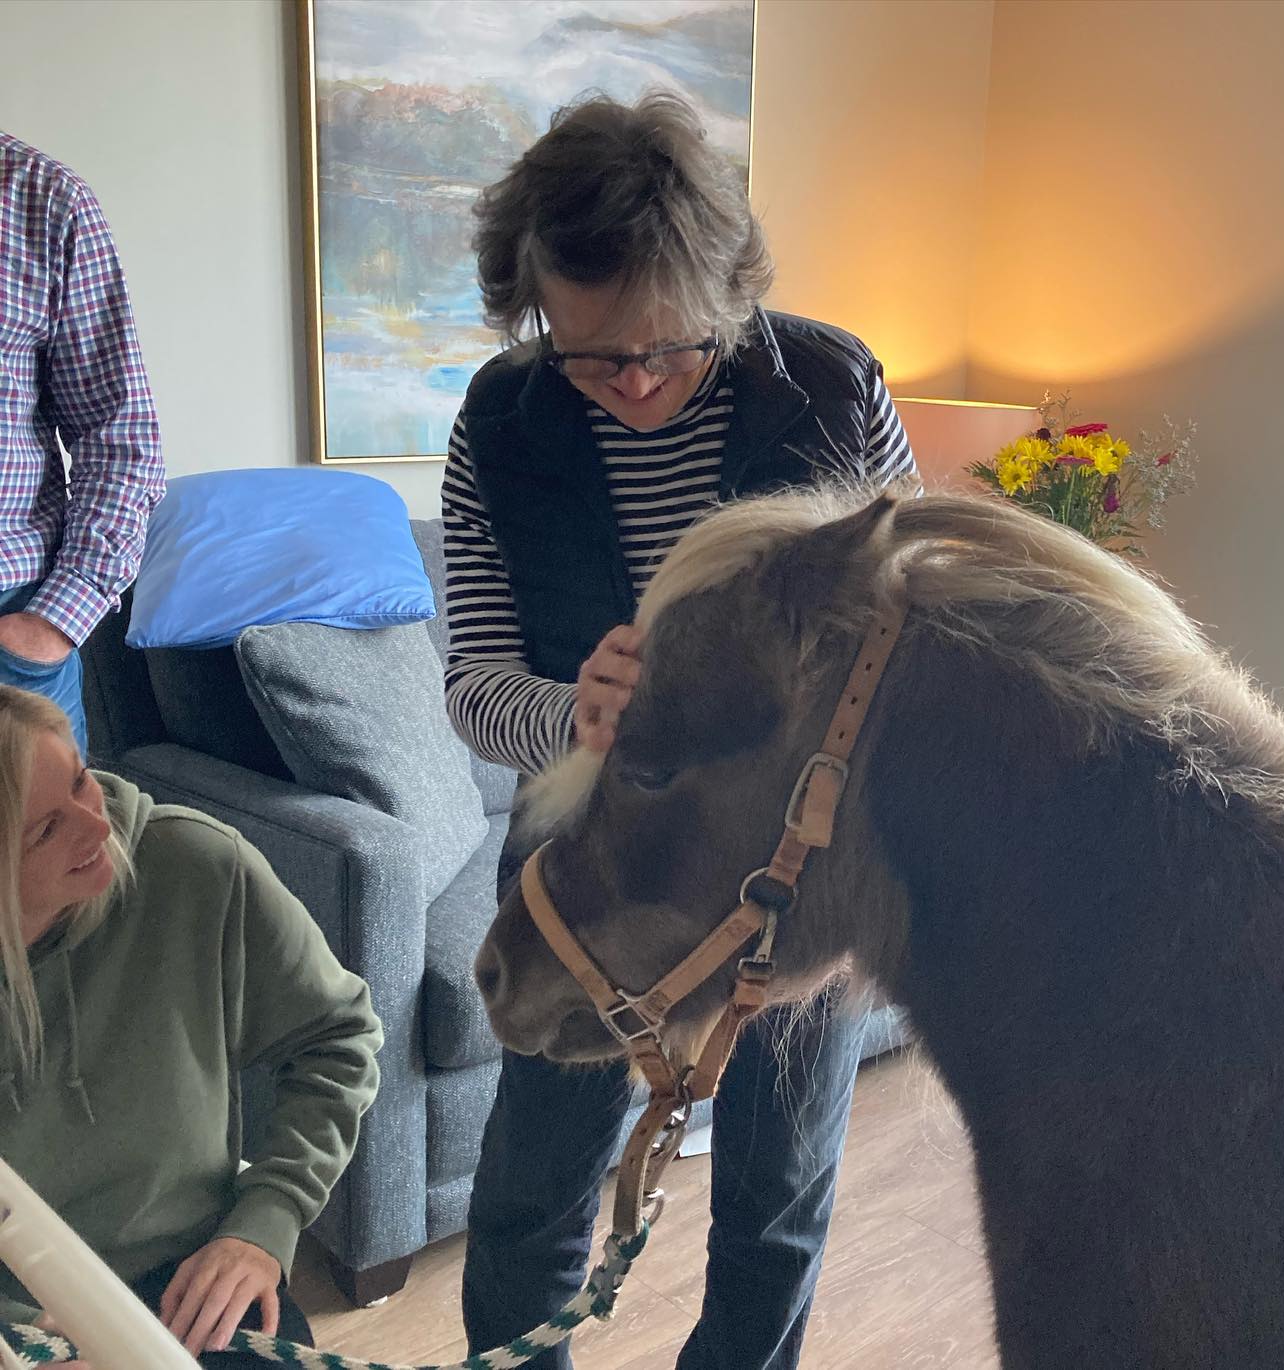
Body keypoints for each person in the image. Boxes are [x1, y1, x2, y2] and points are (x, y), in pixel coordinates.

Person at [442, 92, 915, 1369]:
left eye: (673, 345)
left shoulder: (832, 386)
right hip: (590, 861)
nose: (637, 380)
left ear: (725, 290)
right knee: (531, 1195)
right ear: (535, 306)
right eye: (592, 354)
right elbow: (473, 681)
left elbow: (905, 640)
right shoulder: (498, 422)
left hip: (787, 875)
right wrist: (570, 713)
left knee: (774, 1200)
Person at [0, 684, 383, 1367]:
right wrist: (23, 1340)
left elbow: (338, 1037)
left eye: (82, 782)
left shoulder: (198, 867)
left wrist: (267, 1220)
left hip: (189, 1270)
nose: (97, 826)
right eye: (47, 829)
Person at [0, 132, 166, 754]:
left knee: (36, 855)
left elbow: (121, 438)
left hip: (12, 648)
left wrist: (52, 624)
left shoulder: (42, 201)